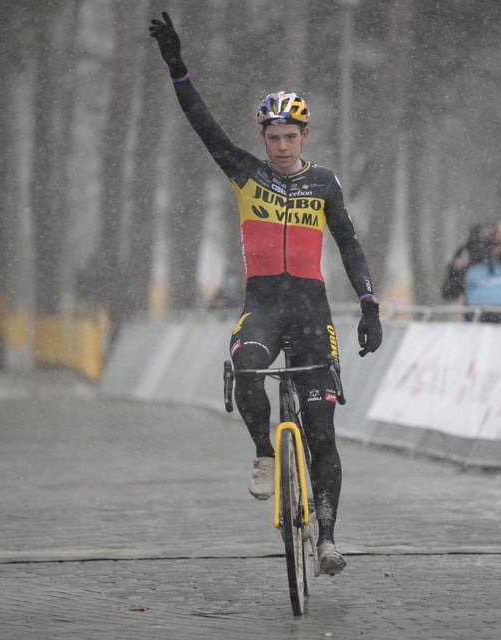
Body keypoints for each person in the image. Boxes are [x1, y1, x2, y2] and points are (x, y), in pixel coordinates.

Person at [150, 12, 382, 576]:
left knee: (323, 431)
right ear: (263, 139)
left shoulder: (324, 184)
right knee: (246, 367)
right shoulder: (246, 173)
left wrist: (370, 304)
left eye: (290, 137)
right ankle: (263, 451)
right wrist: (179, 69)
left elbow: (349, 245)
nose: (280, 146)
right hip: (264, 305)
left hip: (310, 309)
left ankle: (327, 538)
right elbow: (202, 125)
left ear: (305, 136)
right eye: (272, 137)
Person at [441, 221, 501, 323]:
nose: (491, 248)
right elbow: (449, 293)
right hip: (475, 324)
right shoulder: (469, 265)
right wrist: (455, 271)